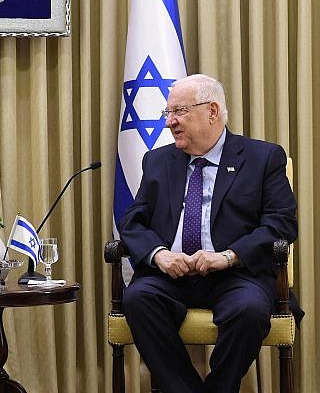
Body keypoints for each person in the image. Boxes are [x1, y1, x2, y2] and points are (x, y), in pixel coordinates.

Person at [119, 74, 297, 392]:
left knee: (250, 310)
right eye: (167, 113)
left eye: (179, 112)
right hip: (171, 276)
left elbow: (281, 224)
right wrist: (160, 255)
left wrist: (228, 257)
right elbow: (133, 221)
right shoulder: (158, 161)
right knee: (138, 298)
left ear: (212, 111)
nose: (170, 122)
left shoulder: (262, 158)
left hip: (236, 274)